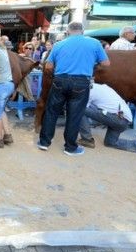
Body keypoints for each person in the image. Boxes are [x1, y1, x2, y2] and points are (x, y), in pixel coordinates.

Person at [38, 21, 110, 156]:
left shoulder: (59, 44)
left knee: (51, 112)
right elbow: (106, 63)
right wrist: (91, 64)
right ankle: (70, 148)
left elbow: (48, 66)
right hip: (81, 82)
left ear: (67, 31)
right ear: (82, 31)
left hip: (60, 80)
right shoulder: (94, 43)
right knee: (74, 115)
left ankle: (44, 142)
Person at [77, 83, 136, 153]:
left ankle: (87, 140)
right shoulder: (99, 87)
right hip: (123, 121)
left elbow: (83, 109)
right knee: (110, 143)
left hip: (118, 118)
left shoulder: (89, 91)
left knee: (80, 109)